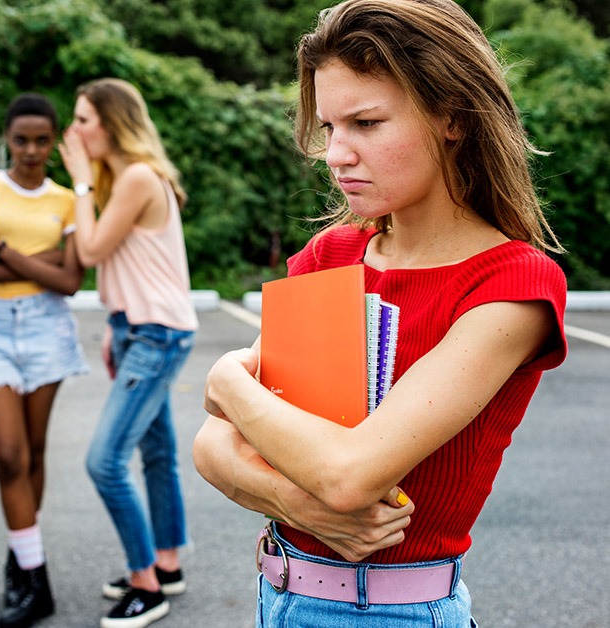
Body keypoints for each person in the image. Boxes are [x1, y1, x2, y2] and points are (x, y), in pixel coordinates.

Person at [193, 0, 568, 626]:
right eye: (331, 127)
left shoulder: (512, 284)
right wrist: (297, 503)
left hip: (395, 612)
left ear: (453, 117)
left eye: (365, 123)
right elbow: (212, 446)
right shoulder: (331, 254)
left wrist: (226, 380)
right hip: (275, 596)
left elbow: (347, 476)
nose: (336, 154)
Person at [58, 78, 198, 628]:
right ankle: (165, 564)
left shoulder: (138, 176)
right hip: (139, 330)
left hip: (157, 336)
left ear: (112, 124)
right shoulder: (126, 177)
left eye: (83, 119)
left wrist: (77, 183)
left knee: (104, 461)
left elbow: (92, 249)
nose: (74, 131)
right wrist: (115, 325)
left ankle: (146, 586)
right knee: (157, 454)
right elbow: (123, 267)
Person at [0, 93, 89, 628]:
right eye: (21, 140)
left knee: (34, 452)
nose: (31, 150)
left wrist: (6, 252)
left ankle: (21, 556)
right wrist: (44, 260)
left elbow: (72, 280)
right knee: (10, 455)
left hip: (47, 328)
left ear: (54, 141)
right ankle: (38, 583)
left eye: (41, 141)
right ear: (7, 138)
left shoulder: (66, 199)